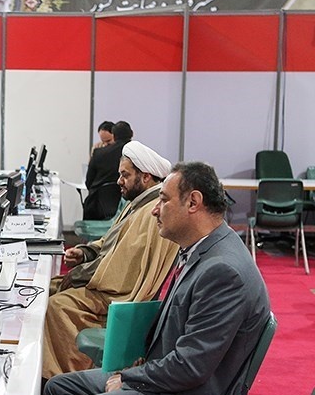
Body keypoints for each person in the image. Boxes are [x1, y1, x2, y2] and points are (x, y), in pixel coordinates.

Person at [45, 162, 271, 395]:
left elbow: (191, 367)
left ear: (193, 202)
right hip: (165, 372)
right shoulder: (205, 248)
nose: (155, 210)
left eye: (163, 200)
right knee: (58, 386)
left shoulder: (223, 271)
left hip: (182, 387)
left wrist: (131, 378)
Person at [42, 141, 178, 379]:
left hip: (117, 296)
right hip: (109, 285)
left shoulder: (150, 212)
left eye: (125, 175)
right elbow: (110, 242)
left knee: (56, 306)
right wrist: (85, 252)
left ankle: (64, 378)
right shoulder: (137, 204)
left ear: (146, 177)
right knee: (46, 288)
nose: (119, 181)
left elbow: (120, 272)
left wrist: (80, 274)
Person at [83, 121, 133, 220]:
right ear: (132, 134)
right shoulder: (136, 155)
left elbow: (88, 182)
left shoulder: (98, 153)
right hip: (128, 208)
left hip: (97, 207)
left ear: (113, 136)